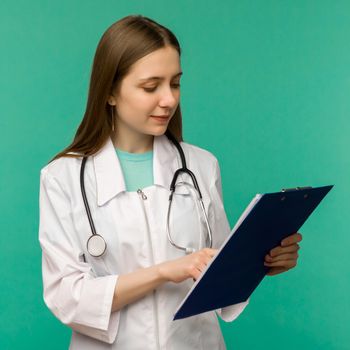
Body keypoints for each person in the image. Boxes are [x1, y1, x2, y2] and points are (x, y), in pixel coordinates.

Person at [38, 15, 302, 350]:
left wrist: (265, 262)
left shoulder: (201, 165)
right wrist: (164, 271)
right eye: (151, 87)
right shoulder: (62, 178)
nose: (169, 100)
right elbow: (67, 297)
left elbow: (219, 271)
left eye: (174, 83)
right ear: (110, 93)